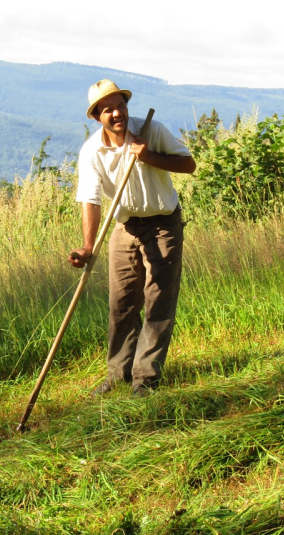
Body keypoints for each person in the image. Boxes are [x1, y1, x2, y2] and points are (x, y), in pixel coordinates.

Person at [69, 79, 196, 396]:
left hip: (163, 223)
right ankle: (119, 373)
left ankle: (146, 378)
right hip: (124, 227)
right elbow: (91, 199)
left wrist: (148, 156)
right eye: (108, 109)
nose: (117, 113)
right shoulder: (91, 151)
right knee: (122, 304)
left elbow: (188, 164)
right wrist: (88, 246)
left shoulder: (151, 131)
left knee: (158, 301)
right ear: (97, 116)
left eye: (120, 105)